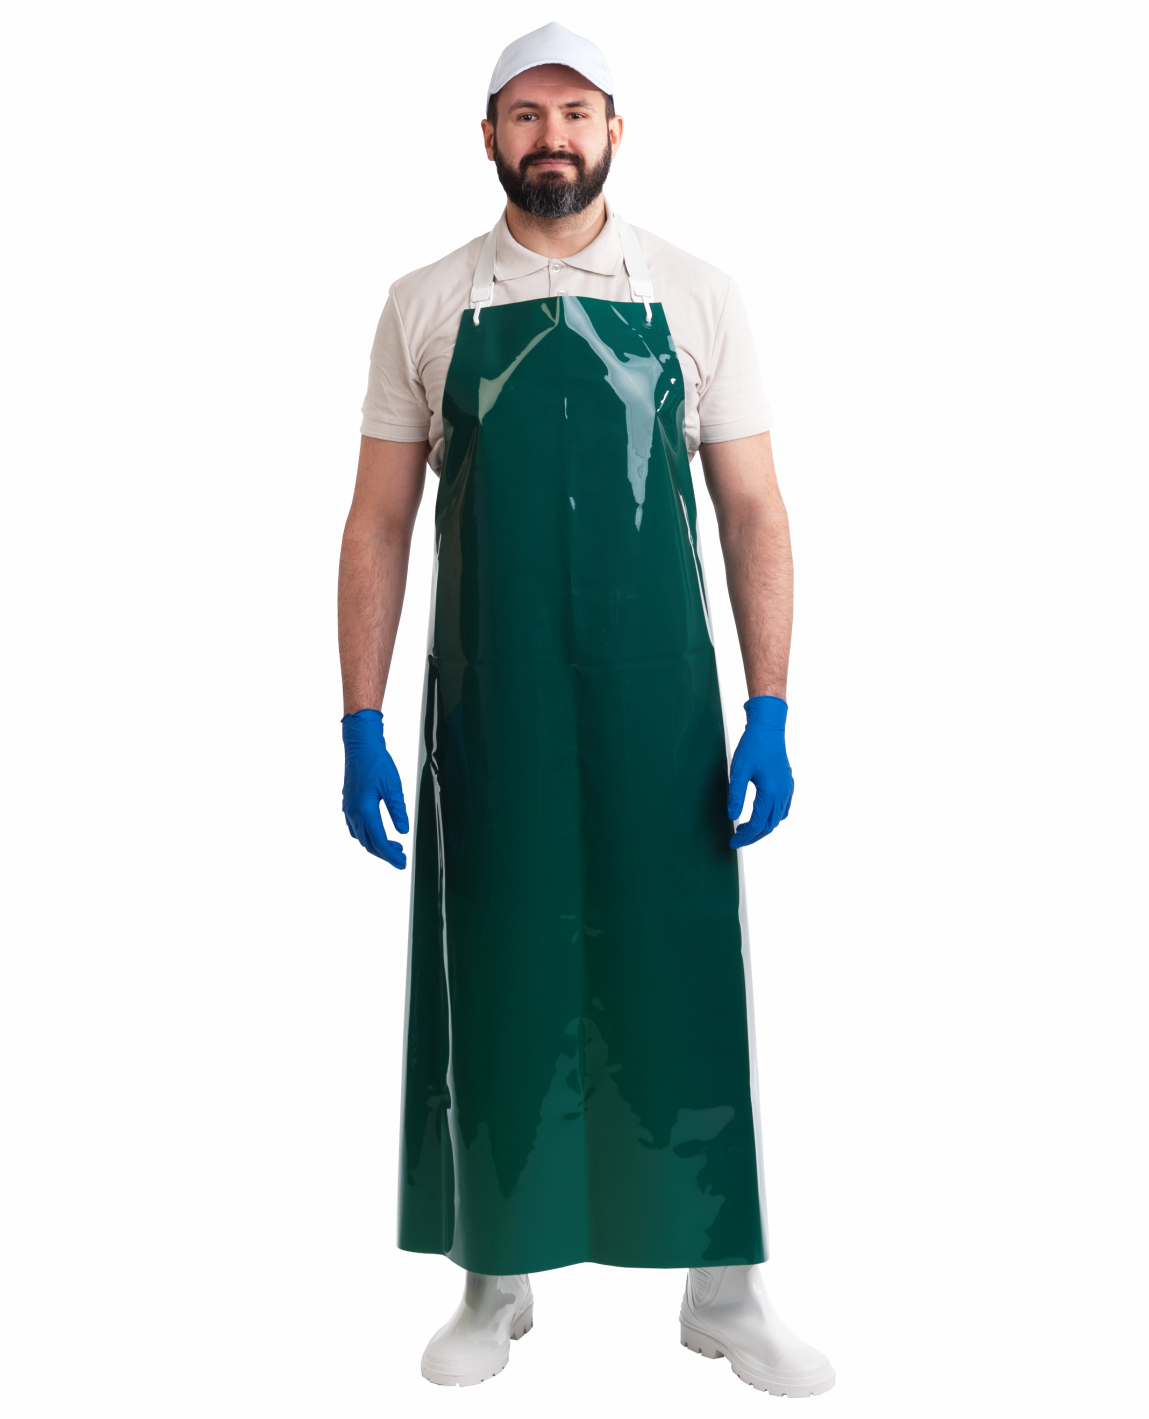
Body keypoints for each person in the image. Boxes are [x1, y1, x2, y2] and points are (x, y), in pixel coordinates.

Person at [337, 21, 835, 1400]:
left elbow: (753, 507)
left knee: (681, 970)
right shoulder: (424, 304)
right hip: (489, 704)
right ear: (489, 136)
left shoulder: (697, 294)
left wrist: (771, 704)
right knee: (494, 965)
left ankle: (725, 1290)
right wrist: (360, 718)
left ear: (616, 130)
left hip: (660, 706)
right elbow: (378, 522)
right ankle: (494, 1277)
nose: (550, 136)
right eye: (525, 113)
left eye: (574, 112)